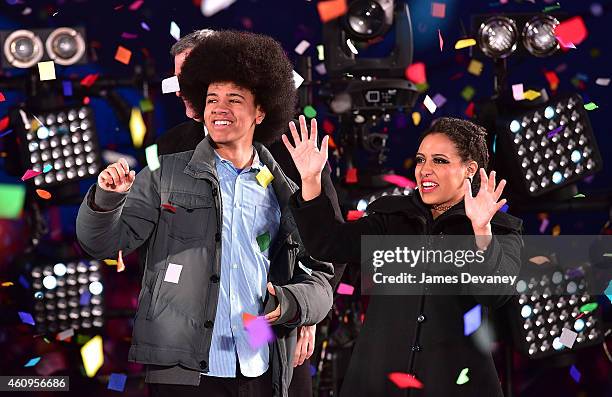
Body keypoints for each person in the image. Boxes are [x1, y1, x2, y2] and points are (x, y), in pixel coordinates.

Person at [76, 30, 334, 397]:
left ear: (261, 110)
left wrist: (298, 312)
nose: (218, 108)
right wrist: (106, 199)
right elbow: (102, 242)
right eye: (211, 97)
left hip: (261, 353)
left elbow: (320, 264)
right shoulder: (164, 169)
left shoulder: (289, 175)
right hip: (185, 364)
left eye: (233, 98)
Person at [156, 29, 347, 397]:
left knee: (263, 377)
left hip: (269, 321)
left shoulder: (289, 146)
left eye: (191, 78)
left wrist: (305, 317)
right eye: (179, 80)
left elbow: (326, 240)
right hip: (193, 339)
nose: (182, 90)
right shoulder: (171, 147)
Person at [283, 116, 524, 396]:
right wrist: (312, 180)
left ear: (470, 169)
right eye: (421, 160)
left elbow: (494, 293)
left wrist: (481, 231)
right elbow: (330, 244)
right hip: (378, 381)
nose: (425, 170)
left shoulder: (499, 230)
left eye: (440, 161)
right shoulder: (392, 218)